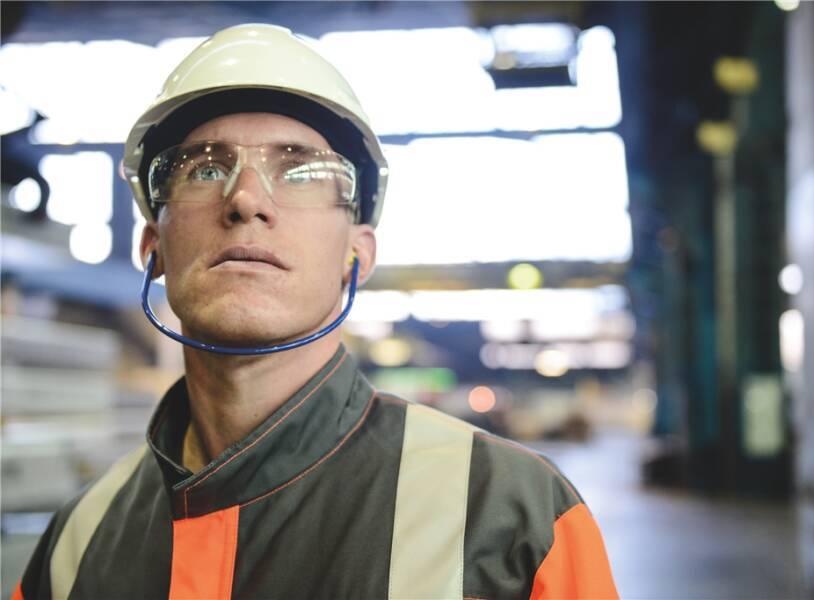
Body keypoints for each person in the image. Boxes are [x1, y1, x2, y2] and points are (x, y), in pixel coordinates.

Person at [14, 24, 618, 600]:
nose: (245, 198)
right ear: (153, 249)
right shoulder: (75, 544)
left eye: (300, 171)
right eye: (206, 168)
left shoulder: (510, 518)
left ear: (358, 254)